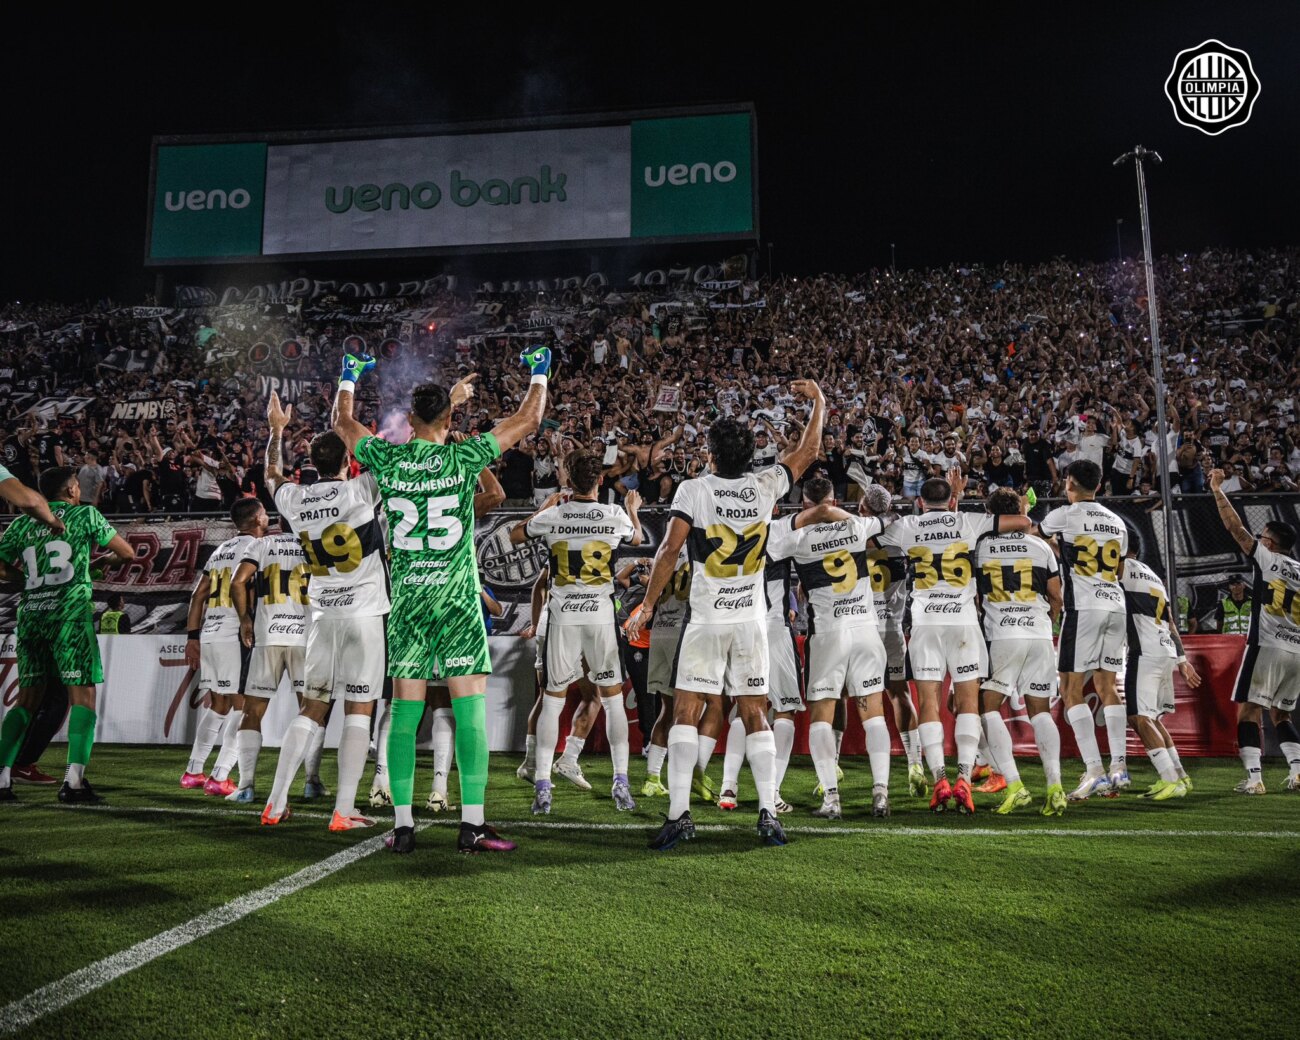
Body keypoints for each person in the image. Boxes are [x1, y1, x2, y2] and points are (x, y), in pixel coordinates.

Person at [334, 347, 548, 854]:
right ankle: (471, 825)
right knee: (468, 711)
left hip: (408, 602)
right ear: (451, 420)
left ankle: (403, 827)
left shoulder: (387, 457)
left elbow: (343, 421)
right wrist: (539, 368)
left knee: (405, 716)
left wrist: (349, 375)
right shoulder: (464, 454)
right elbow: (529, 418)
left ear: (408, 420)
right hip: (455, 599)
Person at [630, 379, 827, 851]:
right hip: (751, 619)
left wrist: (649, 603)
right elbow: (810, 448)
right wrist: (818, 400)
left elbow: (669, 549)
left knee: (685, 710)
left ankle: (679, 814)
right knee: (755, 711)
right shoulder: (766, 486)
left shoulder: (694, 489)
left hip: (706, 621)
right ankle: (766, 812)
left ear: (712, 454)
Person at [262, 392, 387, 832]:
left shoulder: (294, 500)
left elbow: (272, 474)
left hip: (320, 617)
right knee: (359, 709)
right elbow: (385, 463)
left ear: (312, 463)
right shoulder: (360, 488)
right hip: (364, 614)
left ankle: (275, 803)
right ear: (348, 461)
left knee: (311, 708)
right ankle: (344, 810)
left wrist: (277, 429)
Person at [877, 468, 1033, 813]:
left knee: (930, 703)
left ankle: (940, 781)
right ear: (950, 499)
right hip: (963, 623)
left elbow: (875, 538)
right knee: (968, 703)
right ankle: (965, 777)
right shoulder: (968, 521)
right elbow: (1022, 522)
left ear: (919, 502)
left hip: (926, 622)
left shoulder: (907, 526)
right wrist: (963, 506)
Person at [510, 454, 643, 814]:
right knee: (612, 699)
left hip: (564, 616)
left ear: (568, 479)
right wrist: (632, 508)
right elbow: (639, 536)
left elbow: (515, 534)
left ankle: (542, 784)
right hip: (600, 616)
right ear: (599, 481)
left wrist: (545, 507)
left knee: (552, 700)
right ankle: (621, 781)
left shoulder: (555, 514)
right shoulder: (613, 515)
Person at [0, 466, 134, 803]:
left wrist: (26, 581)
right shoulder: (85, 514)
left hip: (31, 615)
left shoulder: (21, 523)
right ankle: (73, 783)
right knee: (83, 698)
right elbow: (127, 553)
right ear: (72, 489)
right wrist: (99, 565)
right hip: (69, 615)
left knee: (26, 701)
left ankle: (2, 780)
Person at [766, 476, 892, 818]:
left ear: (804, 504)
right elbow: (884, 518)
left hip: (829, 634)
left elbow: (768, 546)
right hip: (866, 630)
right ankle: (880, 793)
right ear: (835, 500)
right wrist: (836, 512)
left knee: (821, 718)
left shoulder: (796, 537)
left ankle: (832, 799)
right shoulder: (856, 527)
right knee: (873, 715)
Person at [1037, 459, 1131, 801]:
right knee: (1107, 685)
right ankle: (1119, 766)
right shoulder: (1118, 522)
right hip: (1115, 605)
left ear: (1069, 483)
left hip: (1085, 607)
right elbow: (1120, 567)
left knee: (1069, 687)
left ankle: (1095, 771)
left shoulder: (1066, 514)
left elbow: (1037, 537)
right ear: (1100, 485)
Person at [1208, 469, 1300, 793]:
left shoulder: (1267, 559)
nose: (1258, 539)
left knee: (1248, 712)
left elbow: (1235, 527)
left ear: (1271, 543)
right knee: (1282, 714)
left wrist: (1217, 489)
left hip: (1267, 644)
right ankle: (1298, 772)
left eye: (1262, 536)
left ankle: (1254, 779)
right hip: (1297, 651)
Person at [974, 487, 1065, 815]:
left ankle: (1014, 784)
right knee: (1040, 711)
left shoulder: (981, 546)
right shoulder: (1041, 546)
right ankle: (1055, 785)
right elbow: (1057, 597)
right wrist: (1046, 622)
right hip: (1039, 633)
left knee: (988, 707)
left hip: (1002, 634)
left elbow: (975, 597)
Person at [718, 508, 803, 814]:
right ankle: (773, 791)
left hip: (740, 629)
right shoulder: (779, 531)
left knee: (745, 710)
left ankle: (728, 787)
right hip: (773, 629)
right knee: (785, 710)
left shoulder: (730, 531)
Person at [180, 498, 265, 797]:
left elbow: (197, 596)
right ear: (256, 519)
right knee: (243, 707)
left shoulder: (221, 550)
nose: (267, 518)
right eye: (265, 514)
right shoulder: (254, 548)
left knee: (219, 705)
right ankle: (220, 775)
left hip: (211, 632)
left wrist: (192, 636)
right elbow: (244, 588)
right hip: (233, 632)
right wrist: (247, 622)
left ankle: (193, 771)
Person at [228, 512, 310, 804]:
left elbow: (238, 582)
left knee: (251, 712)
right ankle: (311, 782)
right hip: (305, 638)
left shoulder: (262, 545)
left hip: (268, 636)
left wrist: (245, 620)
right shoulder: (312, 545)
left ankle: (246, 786)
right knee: (310, 711)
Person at [1120, 550, 1201, 800]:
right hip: (1165, 648)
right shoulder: (1153, 576)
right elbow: (1171, 622)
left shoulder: (1121, 568)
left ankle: (1170, 779)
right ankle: (1180, 775)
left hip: (1145, 650)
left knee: (1138, 717)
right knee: (1152, 718)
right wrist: (1183, 660)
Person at [861, 484, 926, 799]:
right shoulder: (903, 539)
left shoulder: (855, 537)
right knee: (901, 695)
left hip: (861, 628)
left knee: (849, 697)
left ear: (863, 507)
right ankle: (915, 764)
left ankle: (830, 768)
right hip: (893, 630)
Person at [640, 542, 691, 798]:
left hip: (661, 628)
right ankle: (685, 778)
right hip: (683, 631)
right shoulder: (700, 545)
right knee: (686, 711)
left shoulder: (666, 549)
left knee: (667, 709)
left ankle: (652, 777)